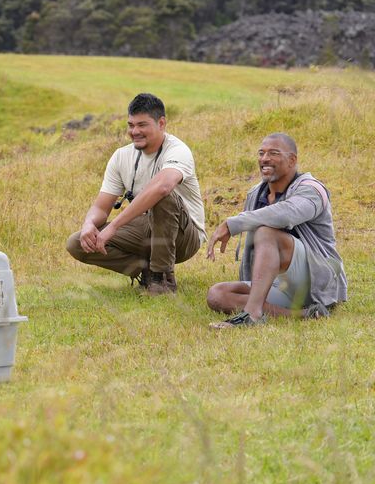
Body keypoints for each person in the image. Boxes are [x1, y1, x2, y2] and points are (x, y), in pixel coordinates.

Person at [66, 93, 206, 295]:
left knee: (161, 195)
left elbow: (163, 188)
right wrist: (89, 224)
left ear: (161, 123)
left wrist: (114, 226)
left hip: (185, 236)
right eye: (131, 125)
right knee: (77, 243)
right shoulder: (121, 156)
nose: (135, 131)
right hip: (146, 228)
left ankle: (162, 280)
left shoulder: (178, 150)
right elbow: (100, 207)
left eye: (142, 125)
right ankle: (147, 272)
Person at [206, 133, 347, 329]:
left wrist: (233, 224)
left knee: (266, 232)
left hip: (315, 279)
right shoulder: (256, 193)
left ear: (292, 160)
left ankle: (252, 314)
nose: (264, 159)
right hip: (277, 284)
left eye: (273, 153)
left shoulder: (312, 189)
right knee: (217, 294)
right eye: (261, 153)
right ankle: (304, 315)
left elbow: (286, 214)